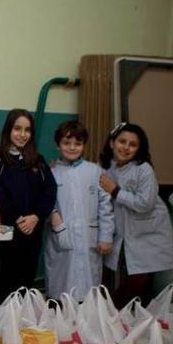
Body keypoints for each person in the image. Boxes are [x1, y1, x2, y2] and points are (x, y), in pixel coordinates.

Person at [98, 122, 173, 308]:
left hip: (151, 233)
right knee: (135, 277)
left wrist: (115, 191)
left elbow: (145, 203)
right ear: (112, 143)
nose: (125, 147)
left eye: (132, 144)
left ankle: (111, 311)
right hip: (126, 232)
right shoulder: (106, 167)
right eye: (122, 141)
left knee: (147, 280)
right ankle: (115, 313)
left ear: (138, 148)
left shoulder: (143, 169)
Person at [0, 109, 57, 301]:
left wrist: (36, 216)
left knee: (25, 283)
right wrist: (18, 218)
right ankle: (2, 326)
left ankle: (21, 327)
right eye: (17, 128)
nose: (22, 134)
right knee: (3, 284)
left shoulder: (38, 161)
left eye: (27, 130)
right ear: (8, 130)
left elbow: (49, 191)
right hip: (6, 233)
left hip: (31, 233)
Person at [43, 121, 114, 301]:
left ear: (84, 145)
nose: (72, 147)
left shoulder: (95, 171)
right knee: (61, 289)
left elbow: (105, 206)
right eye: (67, 143)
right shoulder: (51, 172)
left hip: (88, 240)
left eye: (78, 143)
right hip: (61, 239)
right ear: (58, 145)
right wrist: (54, 219)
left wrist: (106, 236)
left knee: (88, 291)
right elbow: (44, 202)